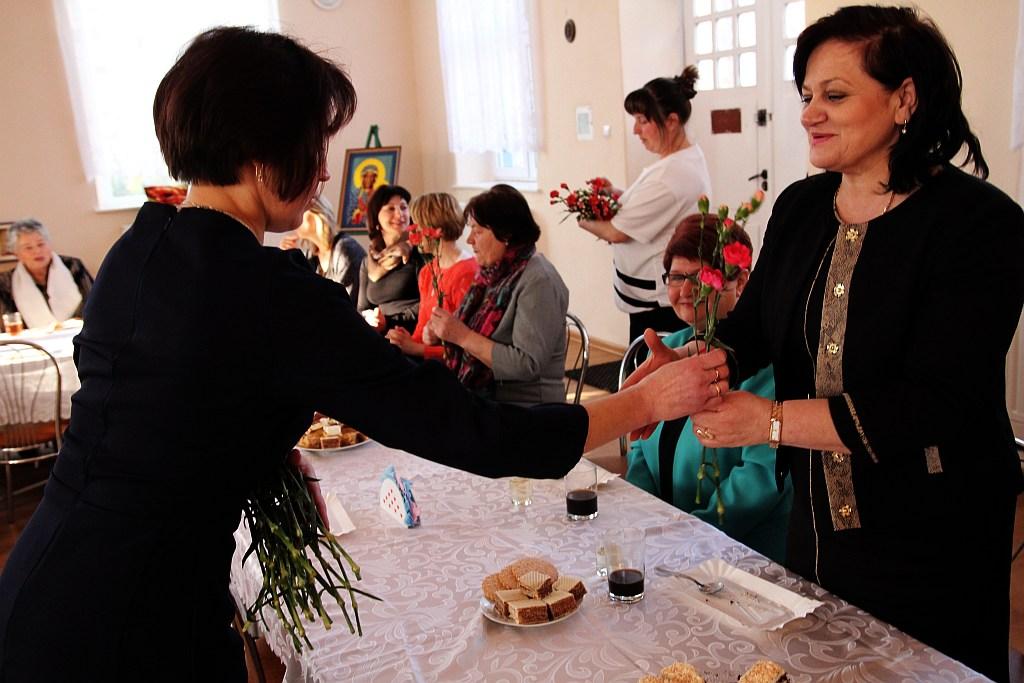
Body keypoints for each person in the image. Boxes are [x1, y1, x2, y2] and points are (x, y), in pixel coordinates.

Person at [0, 27, 730, 681]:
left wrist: (255, 446)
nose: (324, 171)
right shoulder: (273, 293)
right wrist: (643, 402)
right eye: (313, 146)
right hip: (137, 625)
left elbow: (157, 405)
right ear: (261, 154)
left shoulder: (139, 247)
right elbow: (472, 428)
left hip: (42, 583)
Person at [627, 7, 1024, 681]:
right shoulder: (802, 209)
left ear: (905, 98)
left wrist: (770, 421)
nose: (811, 112)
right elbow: (753, 332)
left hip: (935, 532)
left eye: (835, 94)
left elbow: (934, 401)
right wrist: (696, 365)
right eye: (806, 94)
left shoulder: (979, 225)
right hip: (817, 524)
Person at [625, 215, 791, 563]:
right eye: (676, 277)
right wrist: (643, 516)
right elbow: (640, 445)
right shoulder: (672, 348)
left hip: (739, 555)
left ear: (741, 282)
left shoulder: (765, 366)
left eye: (699, 278)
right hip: (666, 546)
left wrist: (686, 533)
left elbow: (761, 479)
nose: (684, 291)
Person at [577, 66, 712, 342]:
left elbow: (616, 231)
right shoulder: (677, 161)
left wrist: (582, 216)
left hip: (657, 305)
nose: (636, 130)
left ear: (671, 121)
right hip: (649, 298)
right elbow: (654, 206)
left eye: (642, 120)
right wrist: (617, 193)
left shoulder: (673, 174)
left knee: (648, 373)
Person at [427, 185, 570, 407]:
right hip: (491, 399)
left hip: (527, 410)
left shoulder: (538, 280)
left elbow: (527, 364)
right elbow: (466, 325)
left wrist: (462, 336)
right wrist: (440, 331)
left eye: (478, 231)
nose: (470, 240)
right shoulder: (494, 273)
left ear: (505, 234)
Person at [386, 192, 476, 360]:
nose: (411, 232)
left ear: (437, 231)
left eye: (417, 226)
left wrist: (415, 348)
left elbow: (469, 350)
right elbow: (421, 332)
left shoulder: (467, 273)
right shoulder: (427, 272)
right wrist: (405, 339)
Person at [0, 219, 94, 330]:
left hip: (80, 332)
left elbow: (93, 300)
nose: (37, 251)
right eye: (28, 248)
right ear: (16, 253)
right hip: (32, 341)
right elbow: (8, 319)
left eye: (41, 244)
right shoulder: (6, 280)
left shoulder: (72, 265)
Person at [356, 184, 424, 334]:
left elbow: (427, 304)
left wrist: (389, 322)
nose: (400, 214)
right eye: (391, 209)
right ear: (376, 217)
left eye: (403, 207)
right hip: (378, 335)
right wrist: (369, 319)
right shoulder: (369, 260)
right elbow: (362, 308)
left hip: (409, 334)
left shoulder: (420, 251)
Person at [280, 195, 366, 301]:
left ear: (317, 213)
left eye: (301, 210)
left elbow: (345, 304)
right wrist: (290, 262)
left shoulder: (345, 250)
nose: (293, 217)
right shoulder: (310, 254)